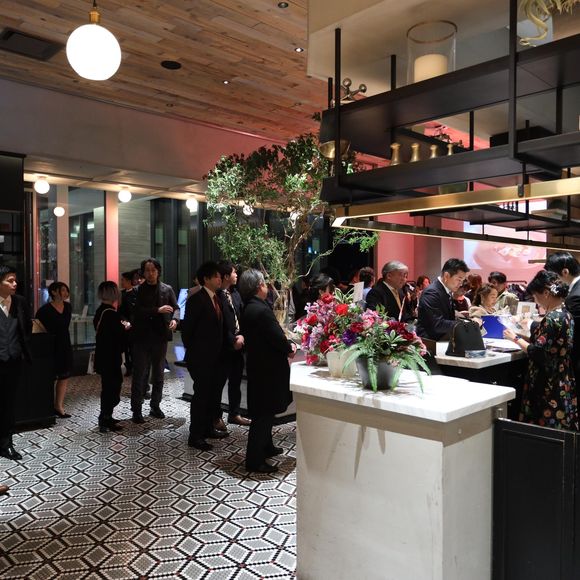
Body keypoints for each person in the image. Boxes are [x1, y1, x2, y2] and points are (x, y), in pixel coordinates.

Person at [503, 270, 578, 431]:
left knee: (544, 425)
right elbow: (549, 343)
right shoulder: (566, 315)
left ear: (546, 293)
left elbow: (537, 351)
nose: (536, 301)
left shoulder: (551, 318)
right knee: (560, 424)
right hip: (562, 376)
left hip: (547, 381)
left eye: (536, 297)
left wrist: (514, 338)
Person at [238, 269, 296, 473]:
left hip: (259, 366)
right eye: (264, 283)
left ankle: (267, 446)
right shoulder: (261, 310)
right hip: (268, 369)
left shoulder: (250, 307)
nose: (267, 287)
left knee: (265, 412)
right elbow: (276, 337)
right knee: (263, 415)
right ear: (258, 287)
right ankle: (254, 460)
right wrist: (290, 347)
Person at [182, 261, 227, 451]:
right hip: (200, 358)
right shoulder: (196, 299)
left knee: (211, 395)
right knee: (201, 396)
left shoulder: (216, 298)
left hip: (215, 357)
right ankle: (196, 435)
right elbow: (187, 331)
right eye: (216, 276)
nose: (219, 279)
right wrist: (196, 353)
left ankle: (208, 428)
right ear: (206, 278)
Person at [130, 258, 179, 423]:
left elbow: (177, 308)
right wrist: (157, 310)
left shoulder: (167, 289)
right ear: (143, 273)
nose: (150, 273)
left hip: (160, 337)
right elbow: (136, 311)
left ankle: (155, 406)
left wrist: (175, 320)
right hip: (141, 338)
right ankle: (136, 409)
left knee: (158, 374)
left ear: (158, 272)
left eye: (153, 270)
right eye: (147, 270)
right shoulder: (137, 290)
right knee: (139, 374)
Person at [0, 265, 31, 461]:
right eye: (9, 280)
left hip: (13, 361)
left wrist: (19, 349)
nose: (14, 283)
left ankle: (6, 444)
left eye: (15, 280)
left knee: (8, 404)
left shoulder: (20, 302)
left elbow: (26, 327)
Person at [215, 261, 251, 429]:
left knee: (235, 382)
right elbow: (219, 324)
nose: (237, 275)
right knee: (218, 383)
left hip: (239, 346)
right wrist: (232, 340)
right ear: (226, 276)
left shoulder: (236, 293)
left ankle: (234, 413)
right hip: (223, 347)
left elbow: (242, 317)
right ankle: (216, 416)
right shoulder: (217, 295)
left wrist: (242, 336)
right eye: (234, 272)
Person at [94, 281, 131, 433]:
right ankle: (105, 418)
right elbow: (119, 337)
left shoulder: (100, 311)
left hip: (103, 356)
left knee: (108, 387)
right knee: (112, 388)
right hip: (111, 357)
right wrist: (126, 328)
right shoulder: (111, 314)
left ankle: (106, 417)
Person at [35, 281, 73, 418]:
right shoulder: (44, 310)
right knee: (49, 377)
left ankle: (59, 406)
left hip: (64, 344)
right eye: (62, 290)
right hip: (50, 345)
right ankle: (45, 406)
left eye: (66, 290)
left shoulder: (68, 307)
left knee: (64, 376)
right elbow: (38, 328)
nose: (66, 293)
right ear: (54, 292)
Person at [545, 251, 580, 380]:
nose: (554, 281)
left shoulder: (575, 296)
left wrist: (533, 325)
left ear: (565, 272)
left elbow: (569, 329)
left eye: (554, 276)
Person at [416, 258, 470, 341]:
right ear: (446, 276)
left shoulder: (446, 290)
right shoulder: (431, 292)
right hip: (430, 343)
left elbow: (448, 318)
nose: (461, 284)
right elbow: (438, 324)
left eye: (462, 281)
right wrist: (465, 325)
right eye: (459, 280)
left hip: (443, 340)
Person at [119, 270, 137, 377]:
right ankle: (128, 367)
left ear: (129, 281)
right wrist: (125, 322)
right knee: (126, 348)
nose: (121, 282)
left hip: (136, 326)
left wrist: (132, 323)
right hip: (125, 326)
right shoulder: (121, 294)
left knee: (134, 349)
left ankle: (135, 367)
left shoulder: (137, 293)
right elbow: (120, 312)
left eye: (123, 280)